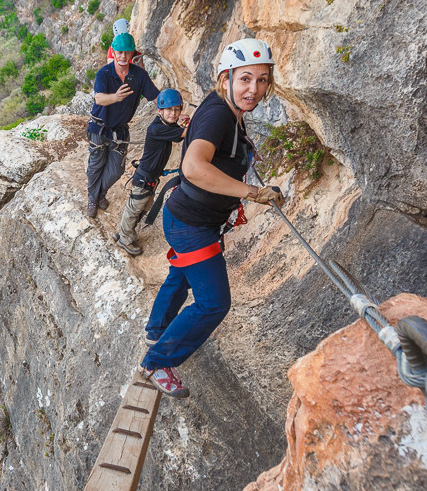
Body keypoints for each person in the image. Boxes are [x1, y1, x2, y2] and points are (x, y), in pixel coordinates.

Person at [137, 38, 287, 398]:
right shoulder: (221, 113)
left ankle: (157, 329)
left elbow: (203, 145)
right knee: (214, 303)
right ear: (226, 79)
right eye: (246, 79)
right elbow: (193, 166)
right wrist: (250, 192)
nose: (254, 89)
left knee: (181, 275)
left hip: (185, 216)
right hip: (193, 224)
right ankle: (157, 361)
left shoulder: (224, 110)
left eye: (262, 80)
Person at [88, 32, 160, 217]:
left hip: (120, 130)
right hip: (100, 127)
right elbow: (99, 98)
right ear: (113, 51)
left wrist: (171, 109)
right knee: (96, 166)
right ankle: (93, 199)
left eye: (127, 53)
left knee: (115, 170)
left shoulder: (139, 75)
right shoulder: (104, 73)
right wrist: (116, 97)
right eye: (119, 52)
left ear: (131, 53)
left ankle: (99, 194)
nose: (123, 56)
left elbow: (155, 96)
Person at [113, 88, 188, 256]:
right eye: (169, 110)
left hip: (150, 177)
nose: (173, 113)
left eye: (176, 109)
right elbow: (185, 133)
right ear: (159, 111)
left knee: (142, 207)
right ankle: (125, 239)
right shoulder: (157, 129)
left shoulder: (166, 125)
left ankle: (123, 230)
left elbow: (178, 133)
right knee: (135, 208)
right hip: (144, 178)